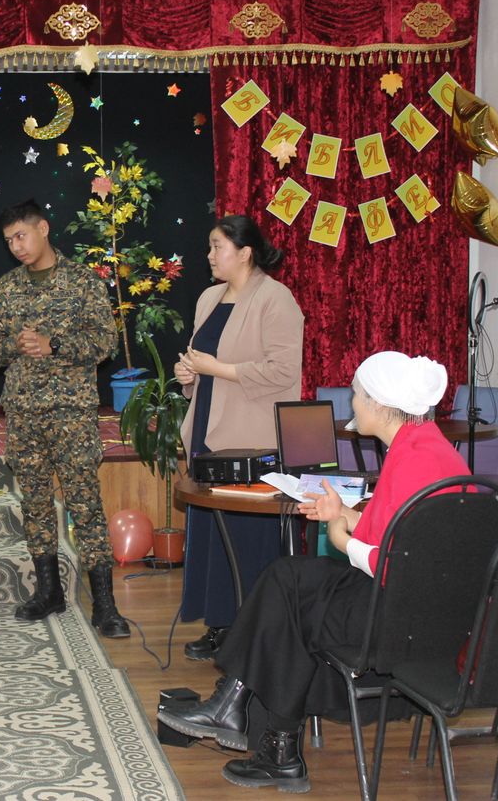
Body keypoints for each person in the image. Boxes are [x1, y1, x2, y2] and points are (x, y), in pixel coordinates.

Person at [161, 351, 469, 792]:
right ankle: (256, 729)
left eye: (358, 394)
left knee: (287, 595)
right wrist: (342, 513)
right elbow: (406, 537)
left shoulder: (410, 461)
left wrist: (342, 541)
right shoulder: (431, 450)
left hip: (396, 618)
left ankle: (249, 720)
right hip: (437, 618)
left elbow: (395, 563)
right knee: (289, 582)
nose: (352, 403)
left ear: (380, 404)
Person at [0, 199, 130, 639]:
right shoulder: (6, 287)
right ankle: (48, 591)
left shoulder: (83, 281)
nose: (16, 246)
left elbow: (105, 341)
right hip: (24, 411)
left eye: (21, 235)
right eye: (9, 240)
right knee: (35, 504)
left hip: (71, 412)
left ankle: (105, 604)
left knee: (85, 503)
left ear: (43, 228)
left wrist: (56, 344)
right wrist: (14, 344)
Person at [173, 214, 304, 661]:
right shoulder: (209, 297)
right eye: (210, 246)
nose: (209, 255)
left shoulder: (276, 298)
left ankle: (250, 632)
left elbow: (283, 371)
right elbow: (201, 360)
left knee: (246, 535)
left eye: (217, 246)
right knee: (212, 531)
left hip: (250, 434)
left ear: (245, 252)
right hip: (207, 427)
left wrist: (218, 369)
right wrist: (189, 375)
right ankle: (219, 624)